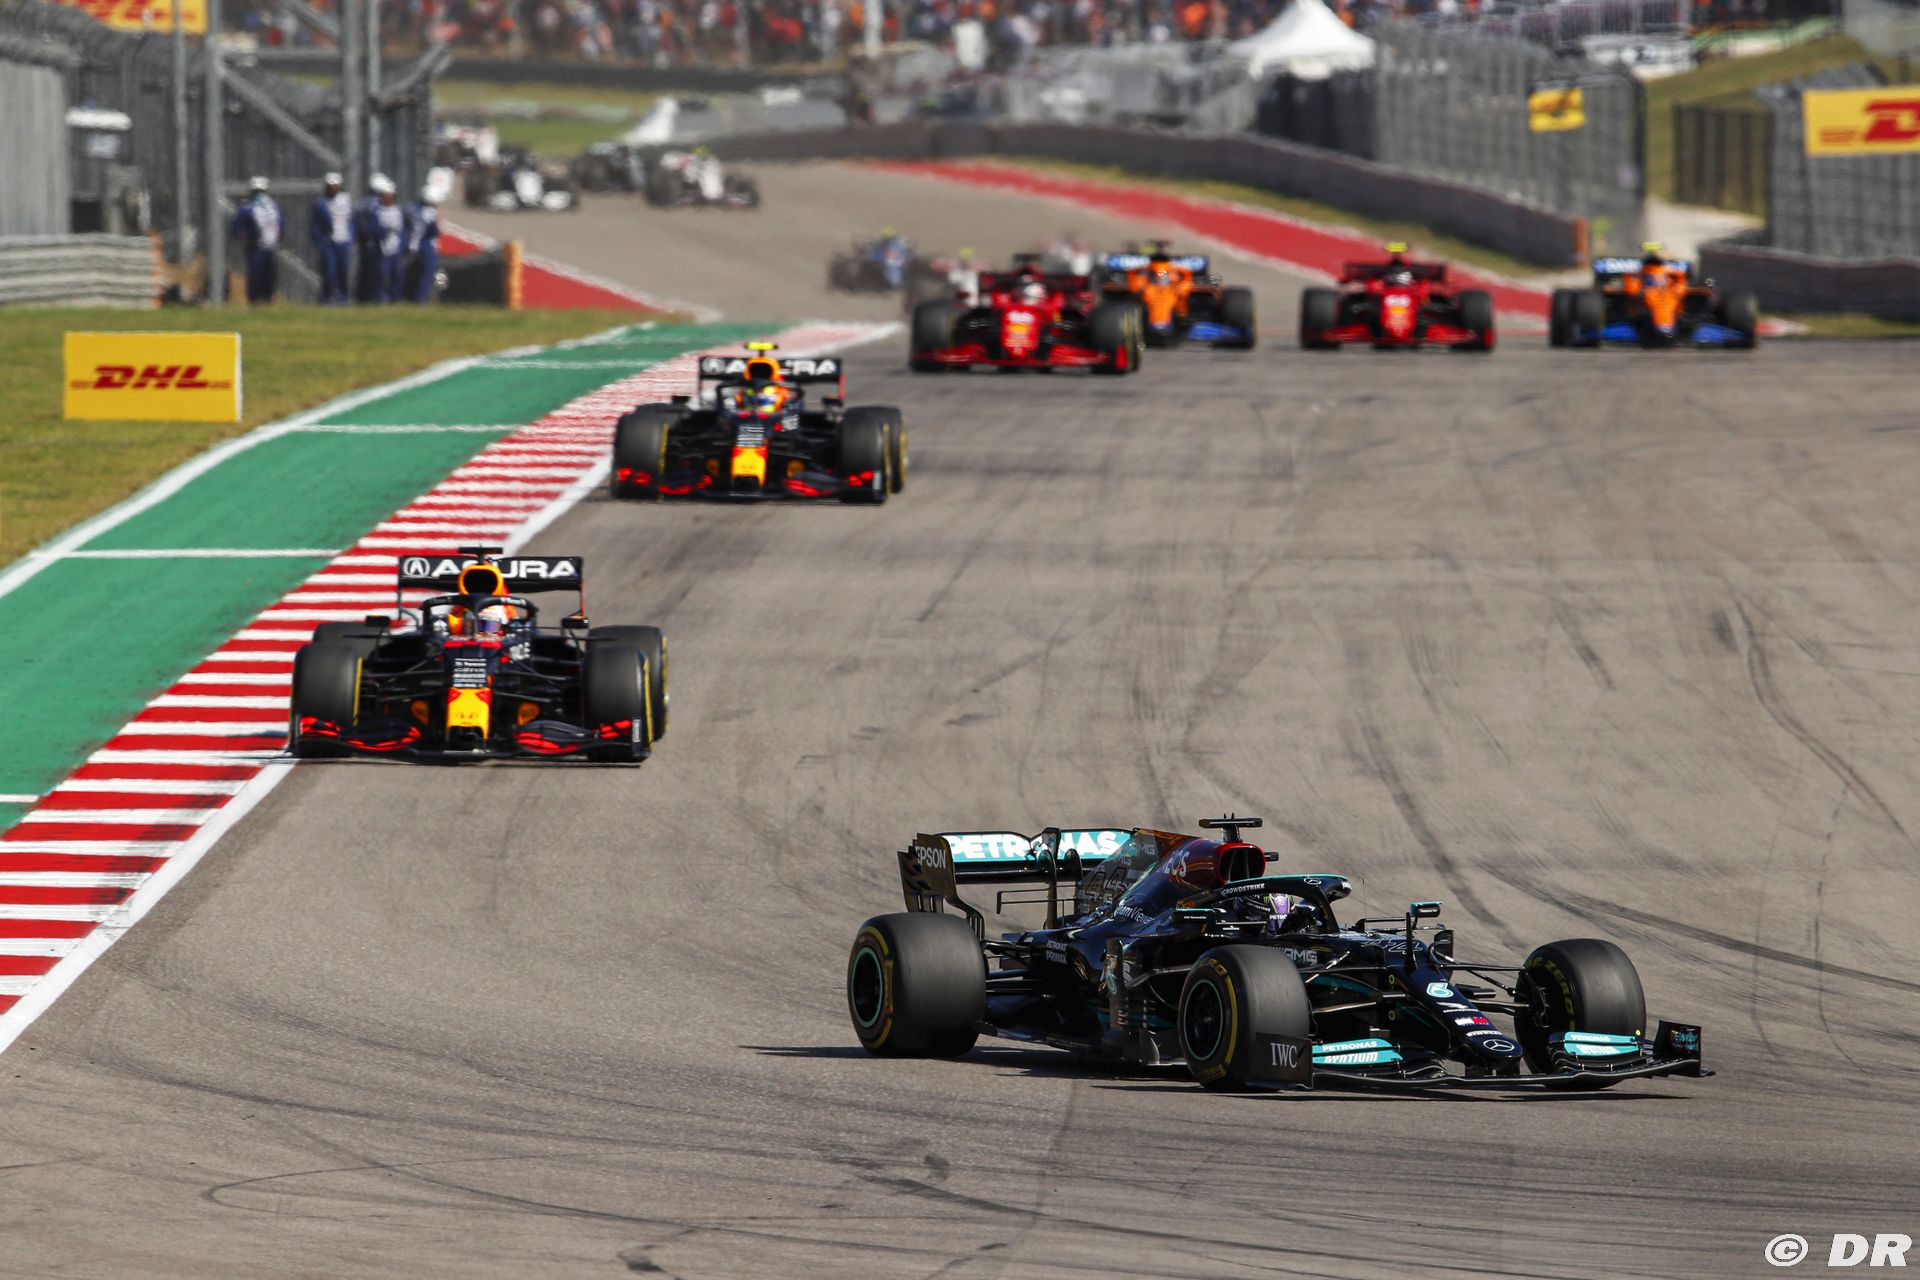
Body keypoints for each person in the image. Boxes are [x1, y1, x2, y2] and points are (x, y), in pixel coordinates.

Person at [229, 176, 281, 304]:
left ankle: (267, 298)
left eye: (262, 191)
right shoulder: (246, 208)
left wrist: (279, 233)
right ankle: (254, 299)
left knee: (270, 274)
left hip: (270, 246)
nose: (259, 194)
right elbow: (237, 226)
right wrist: (244, 236)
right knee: (256, 274)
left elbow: (279, 222)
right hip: (255, 247)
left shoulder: (272, 207)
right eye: (257, 191)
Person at [357, 174, 407, 303]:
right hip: (380, 248)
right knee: (380, 275)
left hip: (393, 247)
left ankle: (393, 298)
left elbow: (401, 229)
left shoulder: (396, 210)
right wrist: (383, 231)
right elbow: (371, 228)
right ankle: (379, 298)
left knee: (395, 274)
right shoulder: (376, 209)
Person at [310, 172, 354, 304]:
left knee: (343, 271)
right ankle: (327, 297)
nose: (334, 188)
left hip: (343, 241)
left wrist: (351, 236)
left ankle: (343, 297)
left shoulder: (346, 201)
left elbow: (351, 220)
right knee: (329, 271)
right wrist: (320, 240)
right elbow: (314, 225)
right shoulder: (321, 203)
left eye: (336, 186)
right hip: (329, 242)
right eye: (331, 186)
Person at [404, 186, 441, 304]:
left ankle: (411, 297)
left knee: (413, 273)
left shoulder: (411, 208)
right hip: (425, 245)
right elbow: (434, 231)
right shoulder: (428, 212)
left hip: (411, 245)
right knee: (428, 273)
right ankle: (421, 299)